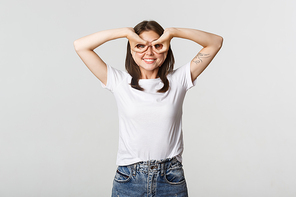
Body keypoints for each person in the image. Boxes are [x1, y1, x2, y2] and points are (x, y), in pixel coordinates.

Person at [74, 20, 223, 197]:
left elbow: (215, 42)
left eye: (157, 45)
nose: (149, 52)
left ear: (166, 49)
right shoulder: (119, 82)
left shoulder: (179, 80)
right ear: (131, 49)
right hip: (129, 179)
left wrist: (173, 32)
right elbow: (80, 46)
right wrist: (125, 33)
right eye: (140, 46)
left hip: (170, 178)